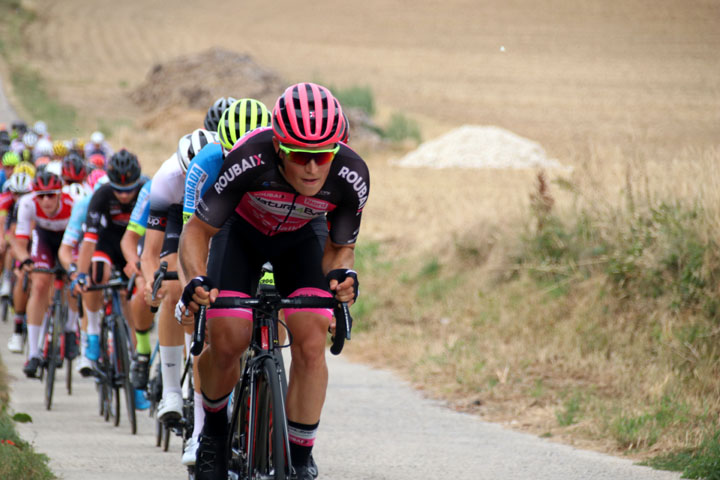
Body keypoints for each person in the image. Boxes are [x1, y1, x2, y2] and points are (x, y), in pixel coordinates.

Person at [178, 82, 368, 480]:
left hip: (302, 237)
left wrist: (342, 276)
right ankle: (212, 432)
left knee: (313, 329)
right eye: (301, 155)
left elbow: (339, 248)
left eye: (323, 156)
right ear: (279, 147)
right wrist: (196, 278)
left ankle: (300, 456)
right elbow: (196, 231)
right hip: (240, 233)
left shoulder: (351, 176)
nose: (313, 168)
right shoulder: (249, 158)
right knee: (228, 333)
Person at [71, 149, 148, 410]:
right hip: (107, 242)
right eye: (119, 189)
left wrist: (140, 268)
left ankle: (137, 379)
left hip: (135, 243)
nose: (124, 195)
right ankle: (92, 332)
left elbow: (154, 237)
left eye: (129, 189)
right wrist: (81, 275)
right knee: (96, 274)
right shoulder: (101, 195)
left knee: (132, 306)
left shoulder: (147, 190)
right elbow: (89, 242)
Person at [14, 171, 76, 377]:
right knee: (39, 284)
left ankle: (70, 329)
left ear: (59, 194)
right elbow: (20, 243)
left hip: (69, 239)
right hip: (44, 239)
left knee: (75, 278)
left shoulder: (73, 203)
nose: (46, 200)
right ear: (35, 196)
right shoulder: (27, 203)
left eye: (51, 195)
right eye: (41, 195)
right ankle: (33, 352)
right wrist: (25, 261)